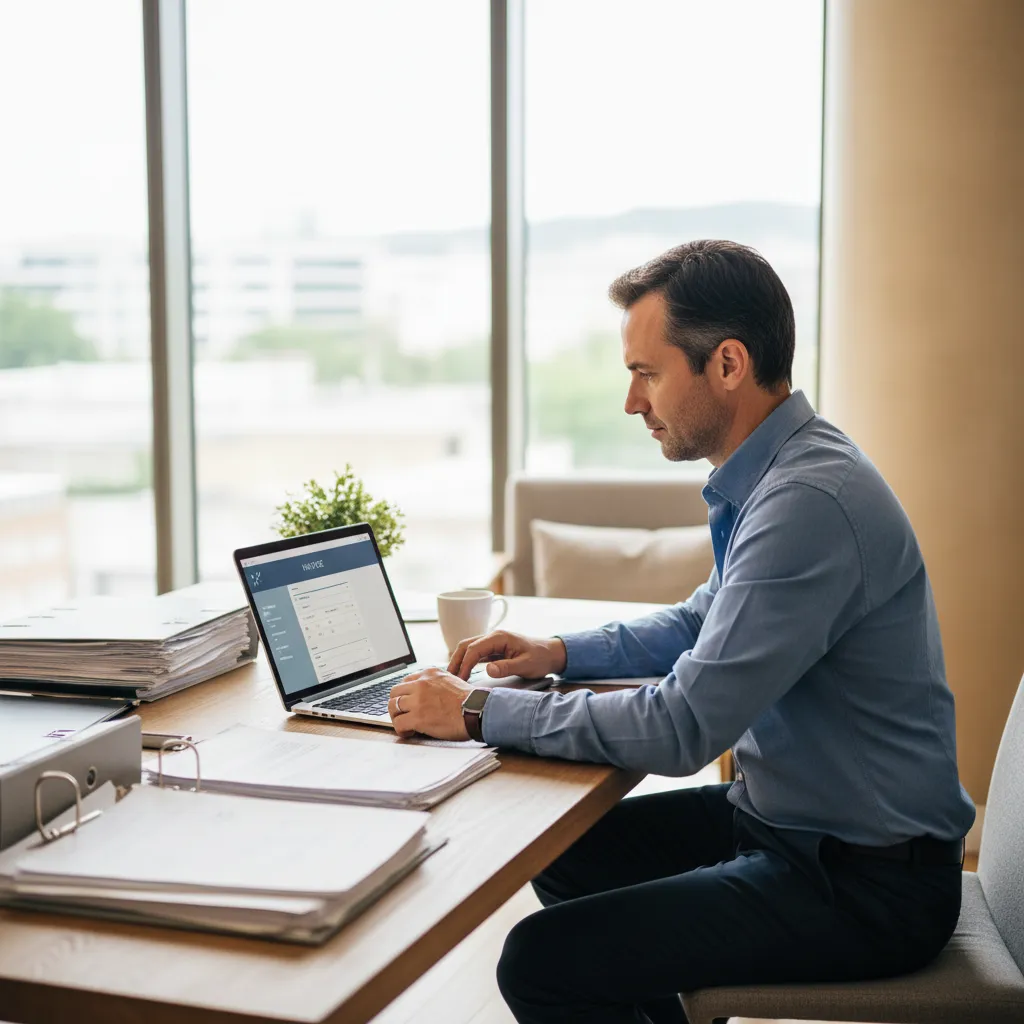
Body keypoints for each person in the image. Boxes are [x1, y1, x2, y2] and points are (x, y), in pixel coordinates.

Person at [388, 239, 975, 1024]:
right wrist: (559, 652)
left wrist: (474, 710)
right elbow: (704, 618)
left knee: (541, 960)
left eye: (647, 373)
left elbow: (681, 728)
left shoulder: (808, 502)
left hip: (865, 883)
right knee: (565, 852)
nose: (632, 402)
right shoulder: (781, 472)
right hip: (791, 822)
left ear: (727, 363)